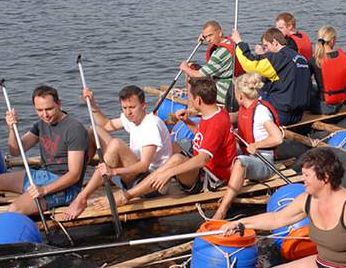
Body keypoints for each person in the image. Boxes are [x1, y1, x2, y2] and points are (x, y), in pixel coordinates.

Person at [220, 148, 346, 268]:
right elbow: (276, 219)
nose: (302, 179)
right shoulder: (308, 199)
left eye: (307, 175)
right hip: (322, 263)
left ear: (325, 178)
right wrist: (240, 223)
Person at [60, 85, 172, 221]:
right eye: (124, 108)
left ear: (143, 105)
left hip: (152, 184)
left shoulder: (151, 125)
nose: (128, 112)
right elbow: (106, 124)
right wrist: (92, 104)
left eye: (132, 107)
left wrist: (114, 172)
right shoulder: (132, 119)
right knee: (93, 131)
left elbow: (143, 166)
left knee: (117, 144)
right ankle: (77, 178)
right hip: (135, 176)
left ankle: (82, 197)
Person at [116, 78, 237, 201]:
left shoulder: (216, 123)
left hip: (208, 178)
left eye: (190, 98)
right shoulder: (215, 113)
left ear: (199, 100)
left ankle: (128, 195)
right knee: (174, 147)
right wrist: (187, 122)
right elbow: (203, 136)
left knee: (176, 159)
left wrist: (170, 172)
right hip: (202, 168)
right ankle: (148, 184)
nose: (188, 102)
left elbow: (202, 160)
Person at [0, 85, 89, 215]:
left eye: (49, 109)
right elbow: (15, 151)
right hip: (43, 175)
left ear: (59, 104)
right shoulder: (41, 124)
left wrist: (43, 190)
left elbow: (74, 175)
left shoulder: (74, 129)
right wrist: (11, 128)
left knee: (15, 209)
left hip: (65, 186)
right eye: (39, 110)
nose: (45, 115)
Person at [212, 73, 283, 220]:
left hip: (264, 161)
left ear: (240, 95)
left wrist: (257, 144)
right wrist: (212, 115)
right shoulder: (247, 106)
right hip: (251, 155)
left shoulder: (261, 112)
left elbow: (278, 138)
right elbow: (235, 117)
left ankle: (222, 210)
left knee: (240, 162)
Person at [232, 28, 311, 126]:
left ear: (275, 42)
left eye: (266, 46)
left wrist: (239, 42)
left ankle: (240, 119)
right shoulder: (301, 58)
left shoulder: (280, 57)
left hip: (281, 114)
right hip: (298, 114)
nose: (267, 50)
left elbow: (249, 64)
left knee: (252, 90)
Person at [178, 20, 244, 110]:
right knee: (192, 66)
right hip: (232, 82)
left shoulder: (220, 53)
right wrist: (204, 39)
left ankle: (191, 107)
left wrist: (184, 67)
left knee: (190, 71)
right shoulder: (229, 41)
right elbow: (214, 43)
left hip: (226, 90)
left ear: (220, 33)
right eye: (206, 37)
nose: (208, 39)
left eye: (210, 35)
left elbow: (198, 75)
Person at [308, 26, 346, 114]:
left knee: (312, 89)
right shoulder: (343, 56)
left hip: (323, 106)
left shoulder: (315, 59)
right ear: (332, 40)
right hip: (340, 103)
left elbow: (304, 82)